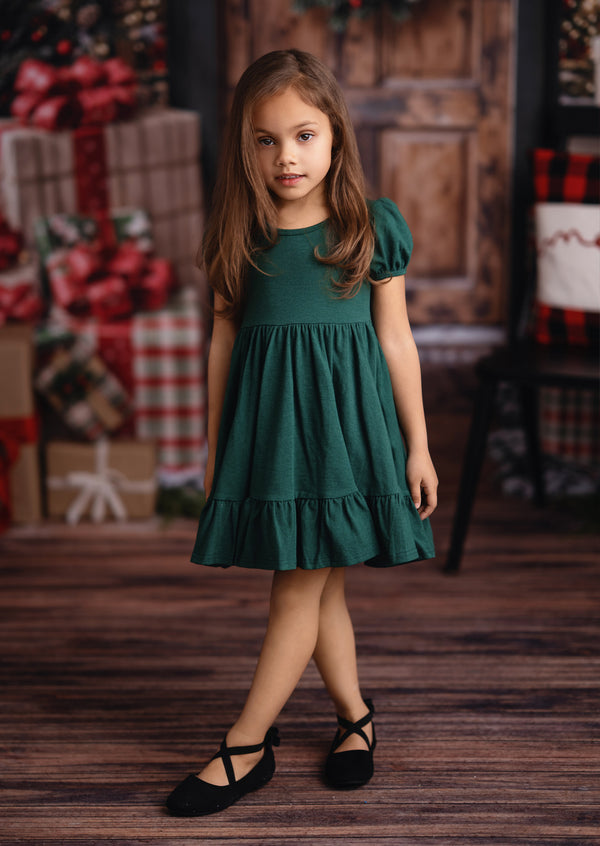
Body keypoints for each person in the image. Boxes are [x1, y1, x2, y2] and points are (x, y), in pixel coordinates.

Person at [166, 48, 437, 817]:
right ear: (244, 145)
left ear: (336, 137)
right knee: (322, 586)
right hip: (276, 436)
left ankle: (245, 745)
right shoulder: (239, 235)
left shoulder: (368, 228)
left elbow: (396, 342)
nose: (287, 155)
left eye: (305, 135)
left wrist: (416, 445)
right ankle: (355, 719)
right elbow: (223, 343)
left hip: (350, 434)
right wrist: (219, 450)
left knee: (299, 586)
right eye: (265, 139)